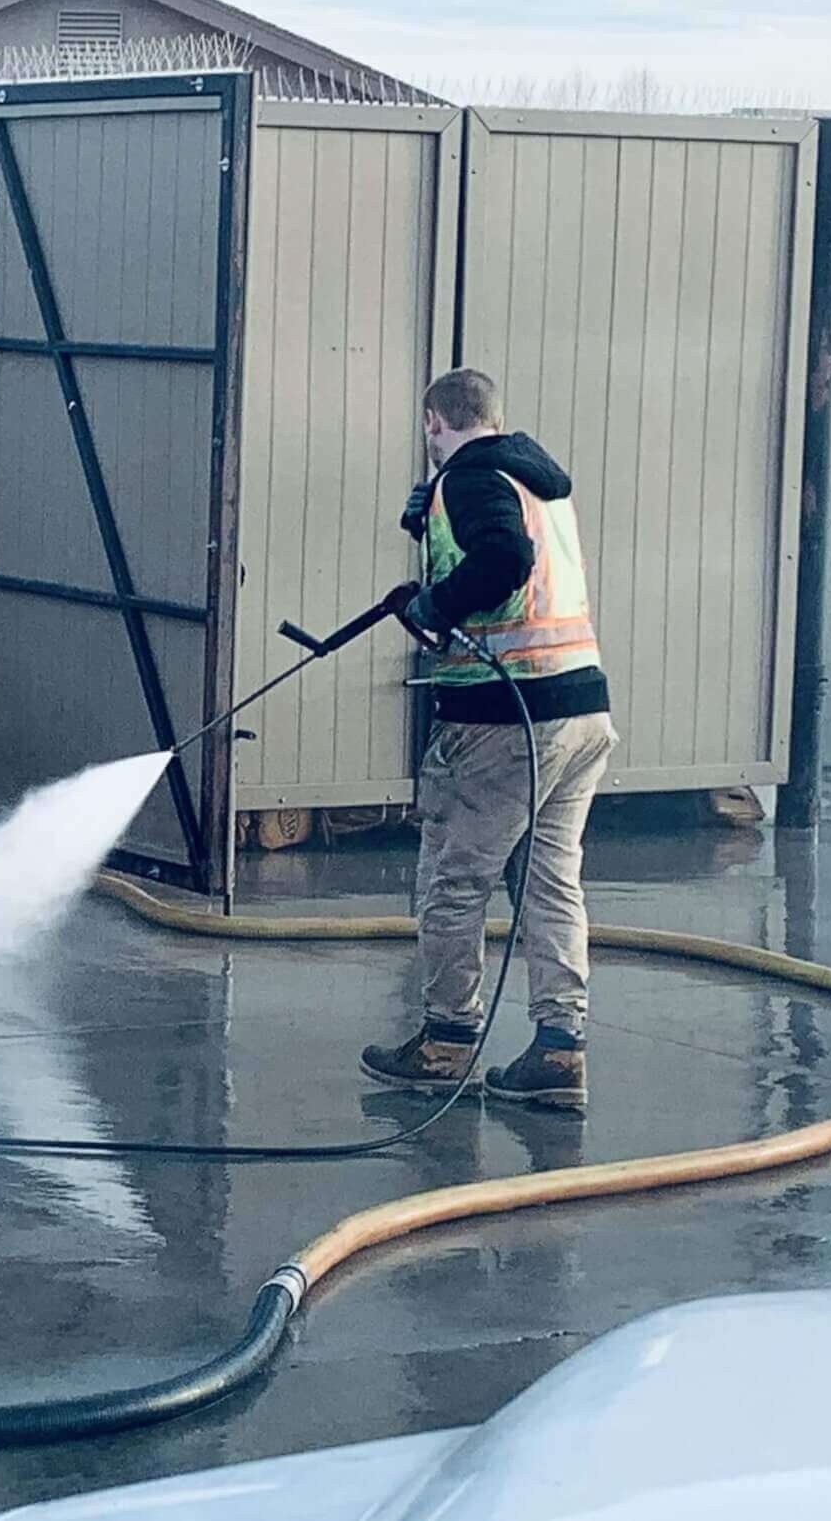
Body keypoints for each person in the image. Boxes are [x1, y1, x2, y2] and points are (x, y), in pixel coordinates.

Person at [360, 367, 616, 1112]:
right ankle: (559, 1051)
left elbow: (504, 560)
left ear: (435, 422)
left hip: (502, 720)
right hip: (579, 709)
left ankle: (445, 1040)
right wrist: (427, 531)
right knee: (550, 884)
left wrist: (435, 602)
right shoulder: (535, 480)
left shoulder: (468, 480)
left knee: (453, 879)